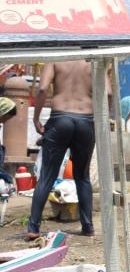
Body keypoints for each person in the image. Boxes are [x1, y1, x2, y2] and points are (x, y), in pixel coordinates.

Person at [27, 60, 99, 241]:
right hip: (86, 120)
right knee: (82, 177)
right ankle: (87, 226)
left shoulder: (56, 59)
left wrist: (36, 119)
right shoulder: (93, 61)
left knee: (47, 177)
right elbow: (107, 93)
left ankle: (34, 227)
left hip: (60, 119)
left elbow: (42, 88)